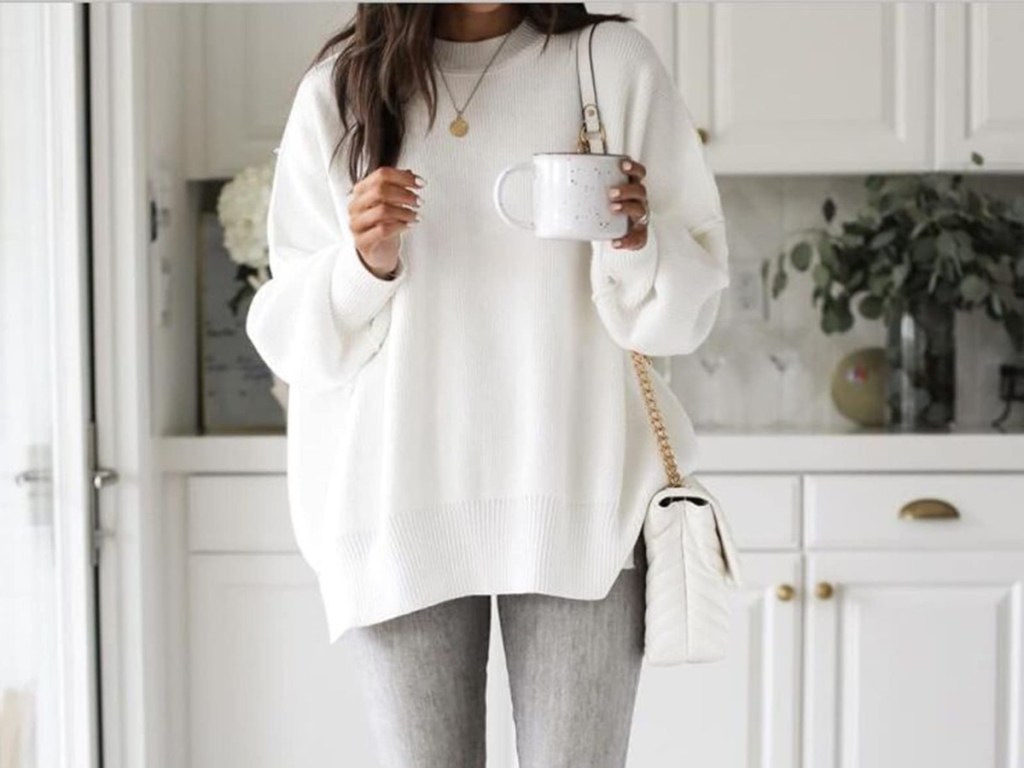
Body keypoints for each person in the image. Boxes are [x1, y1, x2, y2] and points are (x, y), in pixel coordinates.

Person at [245, 3, 730, 766]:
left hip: (581, 499)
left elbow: (685, 312)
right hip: (397, 505)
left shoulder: (610, 63)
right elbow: (293, 343)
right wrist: (361, 261)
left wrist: (638, 241)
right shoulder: (342, 88)